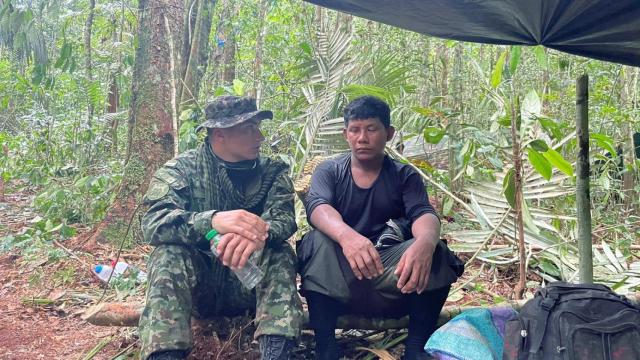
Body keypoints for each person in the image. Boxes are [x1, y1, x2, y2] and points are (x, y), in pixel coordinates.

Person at [297, 95, 463, 360]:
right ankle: (325, 347)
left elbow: (423, 213)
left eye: (371, 129)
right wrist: (347, 237)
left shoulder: (403, 175)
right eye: (355, 130)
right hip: (340, 277)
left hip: (390, 275)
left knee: (437, 251)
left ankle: (415, 348)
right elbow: (317, 207)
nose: (362, 137)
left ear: (389, 133)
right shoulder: (329, 171)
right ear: (345, 134)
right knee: (316, 242)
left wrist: (426, 243)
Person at [139, 96, 303, 360]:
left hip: (250, 285)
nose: (259, 136)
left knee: (279, 251)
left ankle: (278, 352)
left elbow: (284, 218)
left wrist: (259, 234)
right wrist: (211, 221)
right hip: (199, 288)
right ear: (220, 134)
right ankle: (165, 355)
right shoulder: (182, 170)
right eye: (249, 128)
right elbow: (153, 223)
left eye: (258, 127)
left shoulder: (272, 171)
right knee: (167, 254)